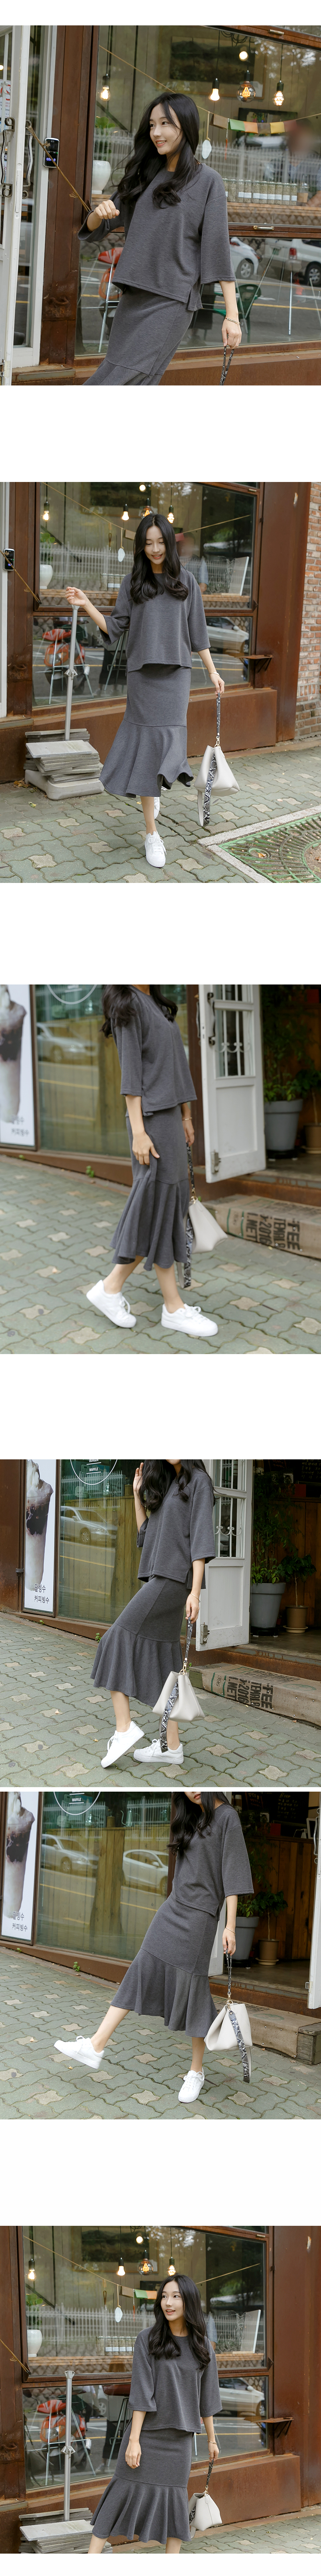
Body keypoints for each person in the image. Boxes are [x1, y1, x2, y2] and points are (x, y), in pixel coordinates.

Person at [54, 1788, 253, 2104]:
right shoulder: (191, 1816)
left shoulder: (228, 1817)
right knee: (141, 1967)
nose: (193, 1789)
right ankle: (96, 2045)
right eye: (186, 1785)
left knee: (193, 1988)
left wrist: (230, 1926)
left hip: (200, 1919)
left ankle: (196, 2071)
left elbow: (233, 1875)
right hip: (173, 1908)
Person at [64, 512, 224, 868]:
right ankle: (152, 832)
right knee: (148, 752)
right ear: (141, 546)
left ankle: (154, 792)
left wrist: (213, 671)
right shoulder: (133, 583)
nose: (155, 549)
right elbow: (115, 627)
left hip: (177, 677)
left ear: (169, 543)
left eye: (161, 542)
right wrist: (87, 604)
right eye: (148, 543)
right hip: (143, 678)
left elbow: (198, 633)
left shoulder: (187, 582)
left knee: (169, 744)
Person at [80, 91, 242, 385]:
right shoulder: (145, 175)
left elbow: (218, 250)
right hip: (133, 295)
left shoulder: (208, 181)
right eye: (152, 125)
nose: (156, 132)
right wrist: (98, 213)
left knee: (121, 380)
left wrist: (232, 315)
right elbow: (97, 227)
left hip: (171, 300)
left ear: (186, 126)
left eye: (165, 123)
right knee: (125, 377)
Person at [87, 991, 219, 1339]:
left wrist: (186, 1114)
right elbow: (131, 1076)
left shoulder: (158, 1004)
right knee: (159, 1204)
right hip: (151, 1121)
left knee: (164, 1206)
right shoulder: (127, 1004)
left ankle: (113, 1289)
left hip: (170, 1117)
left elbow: (178, 1063)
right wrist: (139, 1132)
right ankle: (170, 1306)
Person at [90, 1456, 215, 1766]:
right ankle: (171, 1747)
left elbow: (201, 1539)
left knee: (114, 1639)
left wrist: (195, 1593)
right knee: (166, 1661)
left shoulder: (199, 1482)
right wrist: (137, 1495)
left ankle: (124, 1729)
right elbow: (148, 1534)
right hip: (163, 1579)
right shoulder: (171, 1484)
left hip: (173, 1581)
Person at [87, 2274, 221, 2551]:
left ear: (189, 2301)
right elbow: (141, 2394)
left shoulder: (204, 2348)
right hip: (147, 2437)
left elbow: (207, 2399)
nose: (168, 2303)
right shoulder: (148, 2340)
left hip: (180, 2443)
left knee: (175, 2505)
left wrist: (212, 2439)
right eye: (164, 2297)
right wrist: (134, 2440)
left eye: (176, 2297)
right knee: (119, 2494)